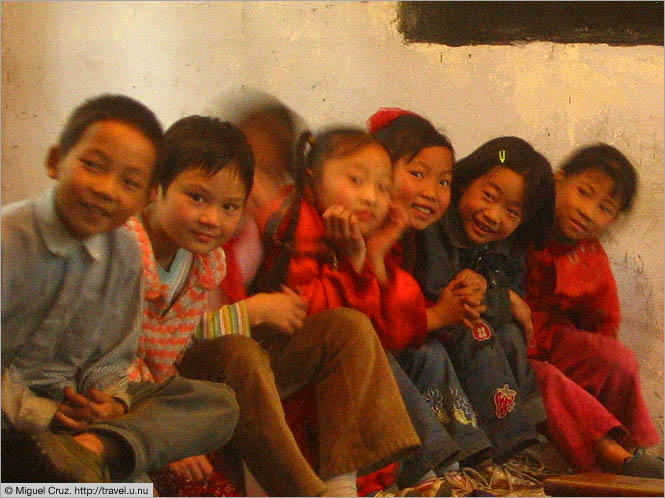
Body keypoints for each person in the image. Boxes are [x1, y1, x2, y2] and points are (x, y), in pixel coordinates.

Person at [126, 115, 419, 497]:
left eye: (230, 205)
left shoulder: (207, 257)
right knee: (240, 353)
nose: (211, 217)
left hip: (193, 378)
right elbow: (138, 350)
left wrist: (361, 260)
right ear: (154, 188)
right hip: (152, 390)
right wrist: (252, 312)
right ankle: (305, 492)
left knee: (347, 328)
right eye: (197, 197)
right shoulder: (129, 250)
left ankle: (342, 486)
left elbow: (181, 337)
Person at [1, 94, 239, 483]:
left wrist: (111, 401)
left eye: (129, 182)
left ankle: (90, 450)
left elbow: (113, 358)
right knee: (119, 486)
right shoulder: (8, 241)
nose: (107, 190)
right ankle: (79, 460)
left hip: (76, 418)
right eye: (93, 166)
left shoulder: (126, 253)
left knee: (217, 404)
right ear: (55, 161)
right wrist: (43, 414)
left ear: (146, 197)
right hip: (13, 419)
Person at [524, 144, 662, 477]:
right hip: (510, 351)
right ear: (557, 182)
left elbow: (604, 323)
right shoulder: (521, 223)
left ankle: (636, 450)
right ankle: (613, 459)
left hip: (555, 344)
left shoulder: (590, 256)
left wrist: (596, 362)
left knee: (617, 359)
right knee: (546, 380)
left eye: (604, 208)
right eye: (583, 193)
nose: (588, 211)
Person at [413, 136, 554, 465]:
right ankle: (503, 445)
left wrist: (494, 291)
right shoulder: (438, 224)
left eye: (512, 212)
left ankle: (526, 429)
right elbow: (441, 292)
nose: (493, 215)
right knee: (480, 333)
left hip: (475, 323)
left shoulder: (507, 243)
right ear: (466, 182)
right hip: (436, 325)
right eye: (488, 197)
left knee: (511, 335)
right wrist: (500, 298)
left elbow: (512, 289)